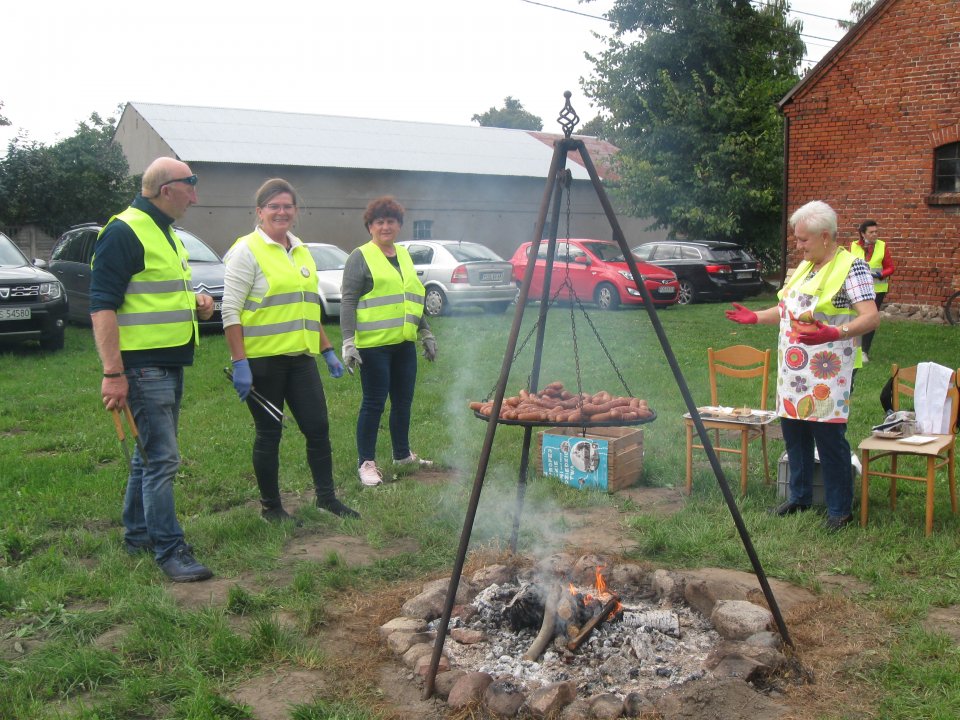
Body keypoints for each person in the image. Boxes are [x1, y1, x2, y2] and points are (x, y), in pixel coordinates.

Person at [91, 157, 214, 582]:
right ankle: (170, 549)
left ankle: (139, 534)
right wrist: (112, 373)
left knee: (147, 460)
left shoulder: (166, 233)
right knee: (162, 460)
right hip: (142, 368)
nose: (195, 196)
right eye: (190, 186)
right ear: (166, 190)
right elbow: (102, 304)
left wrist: (196, 302)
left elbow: (151, 296)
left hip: (168, 360)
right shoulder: (125, 231)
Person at [726, 200, 880, 531]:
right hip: (794, 371)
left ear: (825, 236)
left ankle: (840, 508)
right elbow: (786, 310)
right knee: (794, 434)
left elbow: (871, 317)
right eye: (797, 239)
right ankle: (799, 496)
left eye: (803, 240)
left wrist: (836, 331)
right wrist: (756, 316)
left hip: (829, 370)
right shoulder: (806, 268)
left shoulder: (852, 268)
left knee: (828, 438)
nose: (798, 246)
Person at [222, 179, 359, 521]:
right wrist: (240, 362)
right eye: (273, 206)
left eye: (287, 206)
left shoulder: (301, 251)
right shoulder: (246, 251)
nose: (281, 212)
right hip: (263, 363)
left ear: (296, 212)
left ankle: (326, 498)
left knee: (318, 428)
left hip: (301, 359)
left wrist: (326, 349)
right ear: (260, 212)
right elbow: (230, 312)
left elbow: (307, 307)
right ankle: (272, 508)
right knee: (269, 434)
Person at [340, 196, 437, 487]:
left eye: (391, 221)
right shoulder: (361, 256)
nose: (385, 226)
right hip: (373, 346)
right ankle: (366, 462)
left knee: (403, 402)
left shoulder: (404, 255)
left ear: (399, 225)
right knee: (373, 403)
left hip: (403, 344)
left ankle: (401, 454)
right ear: (370, 226)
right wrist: (348, 342)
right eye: (379, 222)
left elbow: (412, 298)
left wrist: (426, 331)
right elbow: (348, 301)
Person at [850, 219, 894, 361]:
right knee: (855, 317)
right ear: (863, 234)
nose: (875, 234)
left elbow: (890, 267)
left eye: (876, 231)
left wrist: (881, 274)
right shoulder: (854, 246)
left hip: (877, 290)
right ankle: (852, 348)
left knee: (870, 319)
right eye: (871, 232)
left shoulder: (882, 246)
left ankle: (864, 352)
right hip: (857, 289)